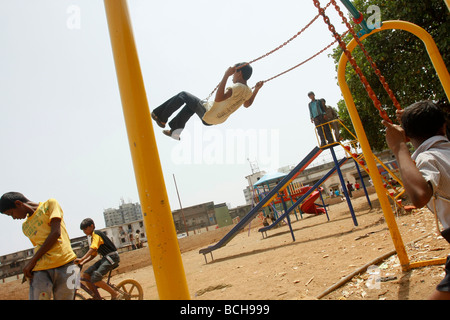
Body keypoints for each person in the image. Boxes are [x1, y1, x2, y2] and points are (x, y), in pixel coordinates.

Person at [383, 100, 450, 300]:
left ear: (407, 135)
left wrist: (399, 148)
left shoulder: (427, 158)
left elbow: (420, 195)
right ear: (443, 126)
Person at [151, 63, 264, 140]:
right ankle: (175, 132)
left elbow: (219, 98)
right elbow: (247, 104)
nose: (232, 76)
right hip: (215, 119)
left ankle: (161, 117)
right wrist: (257, 90)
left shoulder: (238, 87)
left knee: (183, 95)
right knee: (190, 106)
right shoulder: (248, 91)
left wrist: (225, 75)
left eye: (234, 73)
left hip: (209, 113)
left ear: (239, 73)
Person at [0, 192, 77, 300]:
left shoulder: (50, 204)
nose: (13, 218)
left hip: (67, 264)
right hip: (41, 270)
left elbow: (56, 233)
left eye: (11, 213)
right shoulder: (25, 227)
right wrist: (32, 265)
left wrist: (31, 262)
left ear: (18, 204)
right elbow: (41, 247)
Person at [75, 218, 121, 300]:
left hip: (112, 257)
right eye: (83, 230)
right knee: (86, 275)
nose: (84, 231)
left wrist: (81, 259)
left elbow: (92, 249)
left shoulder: (96, 234)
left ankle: (115, 294)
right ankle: (96, 296)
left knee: (95, 278)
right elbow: (93, 254)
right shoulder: (93, 237)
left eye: (85, 229)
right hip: (106, 258)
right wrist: (83, 262)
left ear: (91, 226)